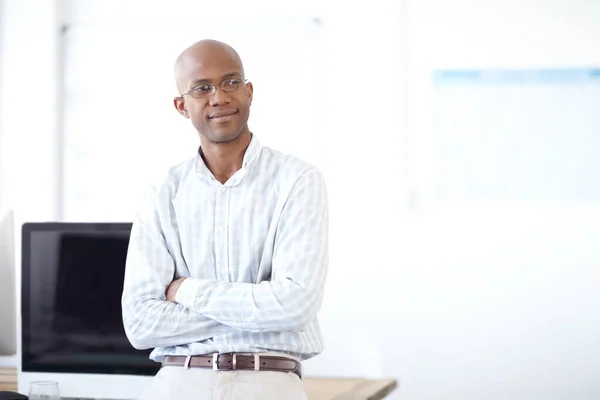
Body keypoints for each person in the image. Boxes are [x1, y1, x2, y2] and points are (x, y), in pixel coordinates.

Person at [121, 39, 329, 400]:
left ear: (249, 92)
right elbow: (140, 324)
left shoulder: (298, 180)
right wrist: (262, 317)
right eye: (202, 88)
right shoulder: (162, 195)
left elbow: (294, 305)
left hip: (268, 382)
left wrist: (187, 290)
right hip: (178, 381)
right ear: (181, 106)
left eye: (231, 82)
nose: (219, 97)